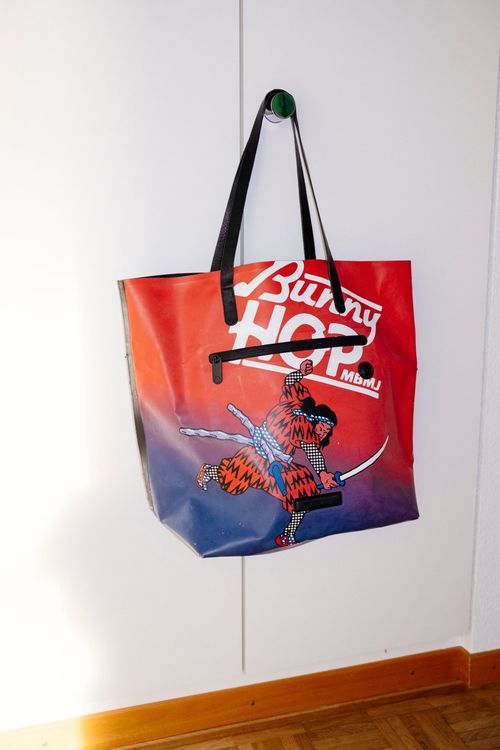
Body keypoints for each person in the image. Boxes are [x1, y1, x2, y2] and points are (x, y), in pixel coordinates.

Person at [196, 359, 339, 546]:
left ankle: (288, 533)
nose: (323, 433)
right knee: (231, 480)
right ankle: (209, 470)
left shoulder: (301, 417)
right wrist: (300, 373)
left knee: (304, 492)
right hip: (256, 456)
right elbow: (289, 382)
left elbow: (311, 448)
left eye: (327, 432)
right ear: (316, 419)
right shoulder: (299, 411)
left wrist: (323, 473)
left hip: (280, 466)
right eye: (322, 428)